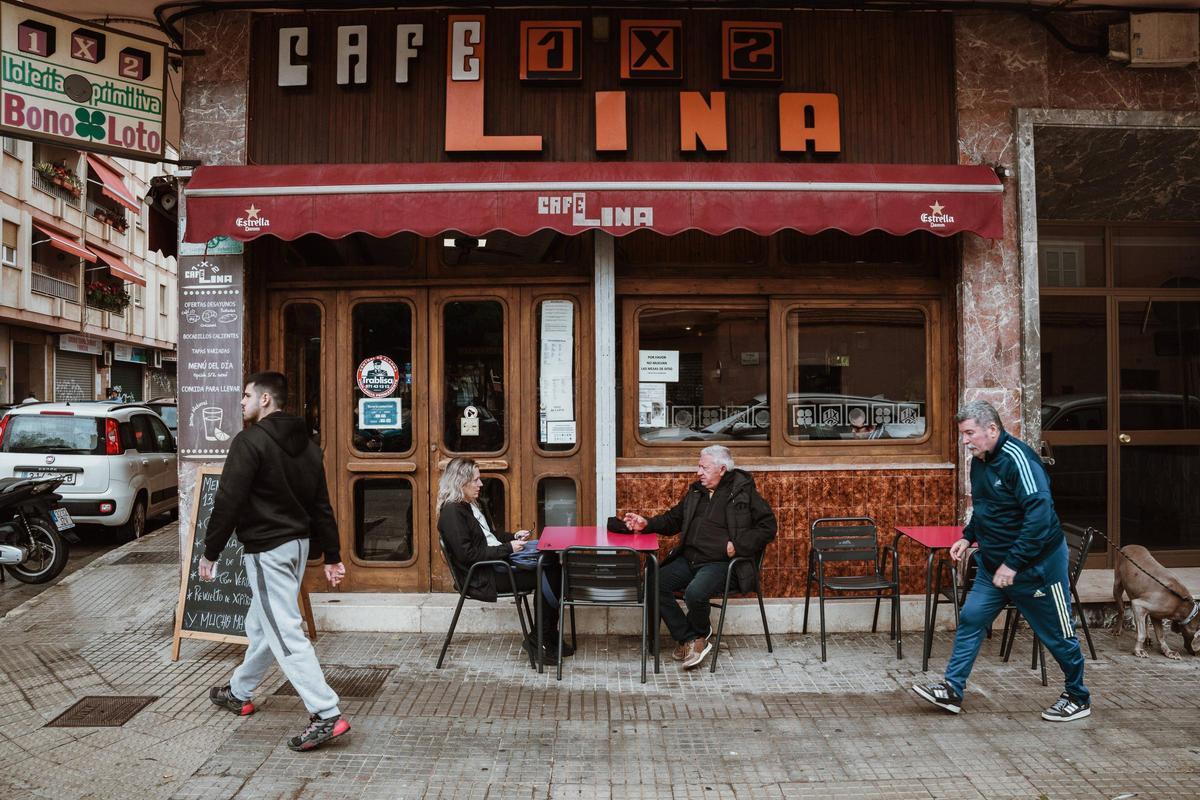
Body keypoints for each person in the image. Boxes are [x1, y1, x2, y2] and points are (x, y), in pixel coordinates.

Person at [913, 399, 1091, 722]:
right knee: (971, 618)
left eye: (970, 433)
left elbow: (1039, 516)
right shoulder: (979, 462)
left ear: (992, 429)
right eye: (963, 434)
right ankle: (952, 689)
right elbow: (985, 509)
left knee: (1058, 635)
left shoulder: (1019, 460)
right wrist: (967, 537)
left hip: (1037, 567)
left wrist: (1013, 563)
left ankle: (1078, 697)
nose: (964, 441)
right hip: (993, 567)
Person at [200, 371, 351, 751]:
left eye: (246, 395)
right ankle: (239, 691)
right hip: (297, 546)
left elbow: (228, 500)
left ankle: (326, 712)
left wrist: (210, 551)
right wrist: (331, 554)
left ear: (265, 399)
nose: (242, 401)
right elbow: (321, 505)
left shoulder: (249, 442)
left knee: (284, 630)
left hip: (268, 548)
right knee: (263, 623)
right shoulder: (309, 446)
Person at [623, 445, 777, 670]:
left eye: (704, 468)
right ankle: (691, 638)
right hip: (690, 559)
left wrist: (738, 546)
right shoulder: (697, 492)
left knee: (694, 593)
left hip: (721, 564)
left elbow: (768, 527)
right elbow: (673, 520)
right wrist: (647, 523)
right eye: (699, 467)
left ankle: (698, 636)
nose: (698, 472)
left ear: (722, 469)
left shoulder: (743, 492)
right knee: (654, 581)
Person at [436, 457, 570, 664]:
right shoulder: (452, 512)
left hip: (496, 565)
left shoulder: (469, 505)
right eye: (475, 480)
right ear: (460, 482)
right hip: (482, 576)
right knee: (549, 572)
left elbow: (489, 536)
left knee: (551, 562)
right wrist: (508, 548)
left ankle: (546, 636)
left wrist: (513, 537)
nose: (481, 484)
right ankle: (541, 639)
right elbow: (467, 555)